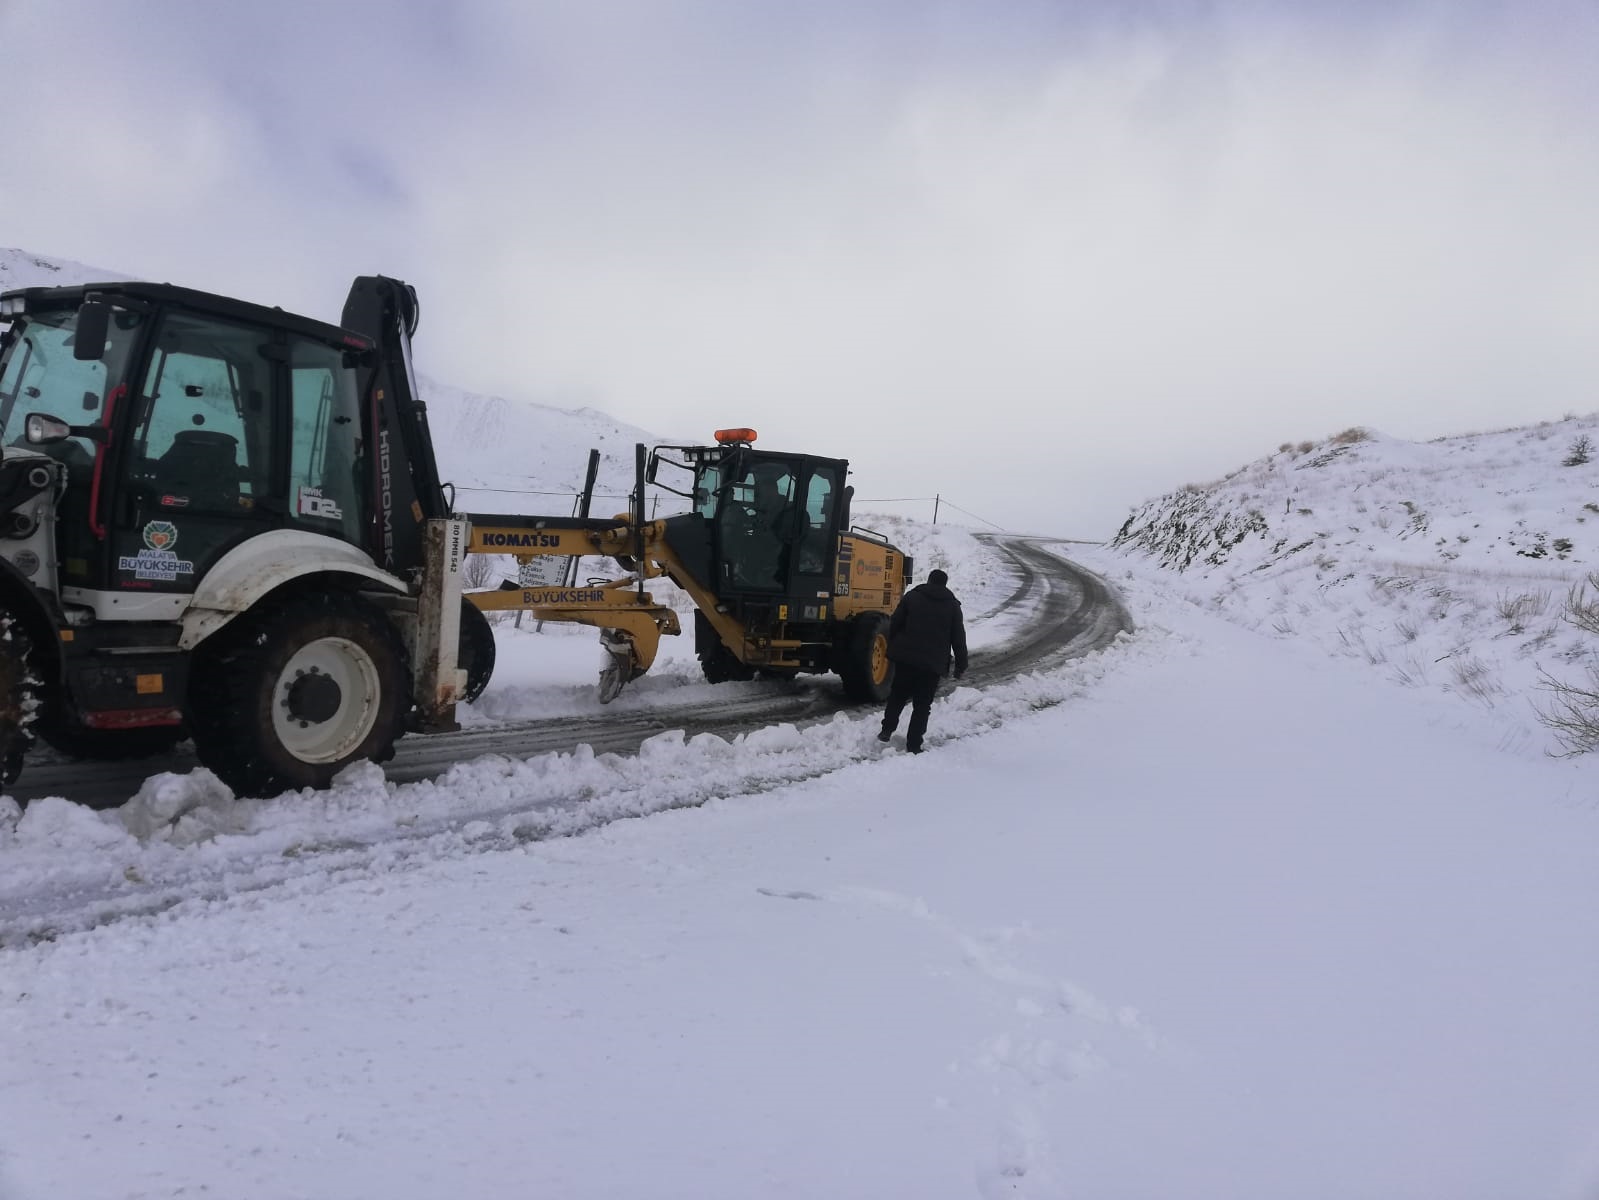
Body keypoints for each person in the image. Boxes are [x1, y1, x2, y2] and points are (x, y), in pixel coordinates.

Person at [878, 568, 968, 754]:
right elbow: (958, 639)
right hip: (932, 665)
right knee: (922, 706)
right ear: (944, 584)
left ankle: (887, 730)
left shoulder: (912, 597)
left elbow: (895, 622)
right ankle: (914, 745)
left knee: (898, 695)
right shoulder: (952, 606)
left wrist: (893, 644)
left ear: (928, 580)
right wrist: (961, 666)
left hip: (906, 659)